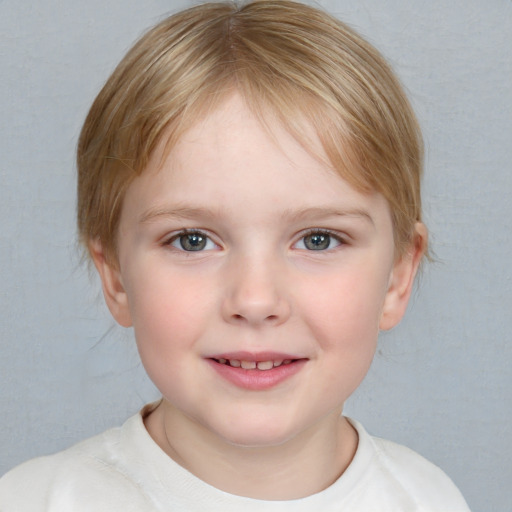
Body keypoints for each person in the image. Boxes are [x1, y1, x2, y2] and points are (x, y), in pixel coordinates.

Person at [0, 1, 471, 510]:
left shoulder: (429, 498)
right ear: (114, 275)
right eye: (192, 240)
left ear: (399, 275)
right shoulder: (36, 500)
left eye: (318, 240)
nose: (254, 299)